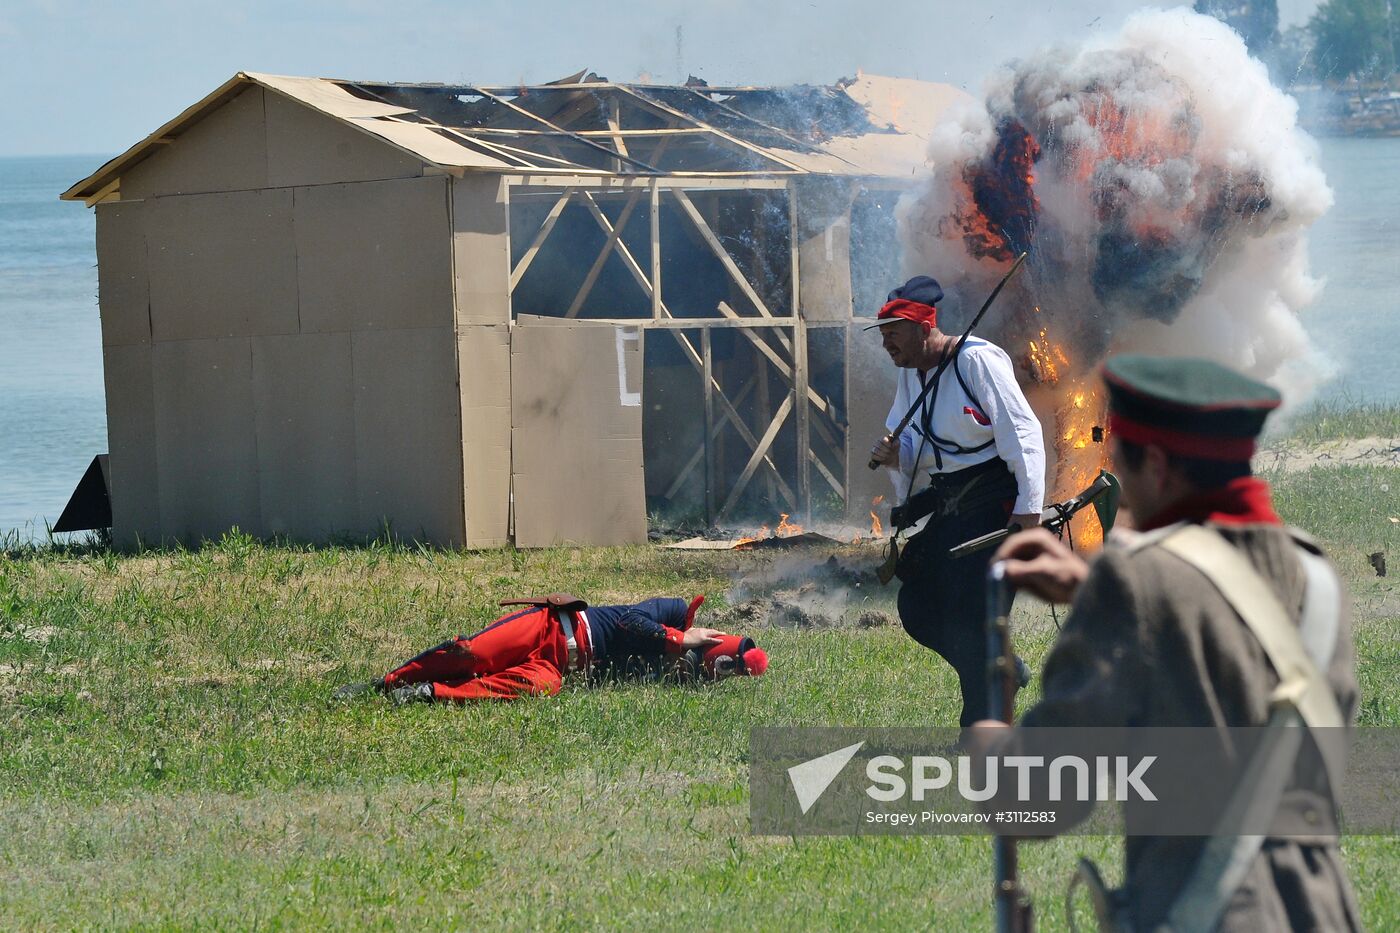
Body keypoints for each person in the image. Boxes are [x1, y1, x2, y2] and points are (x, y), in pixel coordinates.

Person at [975, 354, 1361, 931]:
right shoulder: (1318, 576)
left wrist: (986, 746)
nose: (1118, 484)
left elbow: (1035, 801)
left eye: (1120, 460)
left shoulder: (1135, 583)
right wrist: (1098, 595)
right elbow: (1231, 642)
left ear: (1155, 465)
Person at [868, 275, 1046, 727]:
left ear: (923, 326)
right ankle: (1004, 668)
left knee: (977, 614)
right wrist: (895, 454)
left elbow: (1021, 433)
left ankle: (982, 726)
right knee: (919, 605)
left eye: (894, 332)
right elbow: (913, 446)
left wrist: (1029, 510)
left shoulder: (977, 361)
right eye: (883, 333)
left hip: (996, 503)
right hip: (954, 505)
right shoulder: (912, 376)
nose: (886, 343)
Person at [334, 594, 769, 704]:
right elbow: (628, 622)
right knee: (473, 654)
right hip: (549, 628)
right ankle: (386, 683)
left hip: (558, 666)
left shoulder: (670, 676)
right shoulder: (674, 614)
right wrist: (679, 639)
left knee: (523, 687)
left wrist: (675, 671)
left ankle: (429, 694)